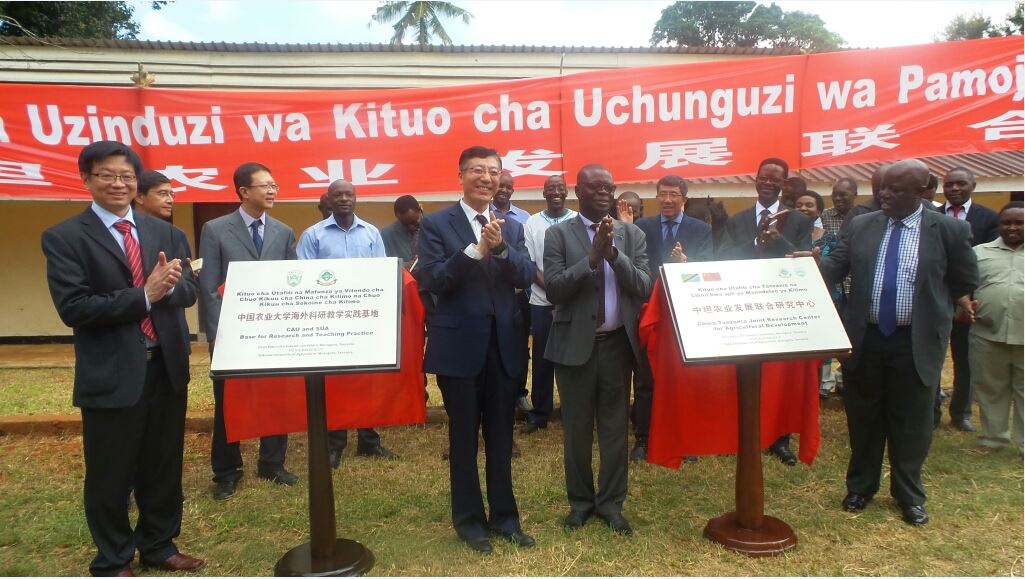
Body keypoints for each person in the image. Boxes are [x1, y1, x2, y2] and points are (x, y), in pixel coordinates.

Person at [42, 141, 203, 576]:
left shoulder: (165, 233)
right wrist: (144, 296)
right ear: (87, 180)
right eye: (107, 175)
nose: (118, 183)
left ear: (136, 181)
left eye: (126, 176)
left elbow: (188, 289)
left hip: (166, 367)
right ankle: (113, 559)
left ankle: (159, 545)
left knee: (163, 464)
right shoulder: (65, 238)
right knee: (110, 474)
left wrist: (169, 287)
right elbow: (74, 307)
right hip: (112, 372)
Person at [815, 159, 978, 526]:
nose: (885, 194)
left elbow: (963, 279)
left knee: (912, 424)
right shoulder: (861, 225)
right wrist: (801, 268)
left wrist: (934, 313)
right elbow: (835, 266)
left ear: (923, 191)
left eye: (897, 189)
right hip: (867, 339)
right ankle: (860, 487)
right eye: (883, 187)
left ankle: (908, 495)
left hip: (915, 343)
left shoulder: (949, 230)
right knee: (864, 418)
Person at [417, 146, 536, 554]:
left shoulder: (512, 225)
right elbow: (434, 279)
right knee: (464, 437)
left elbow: (525, 275)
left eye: (494, 172)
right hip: (459, 347)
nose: (487, 178)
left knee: (501, 437)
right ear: (461, 175)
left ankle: (505, 519)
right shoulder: (436, 224)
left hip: (504, 346)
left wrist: (501, 248)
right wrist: (476, 251)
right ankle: (470, 523)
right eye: (478, 171)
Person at [543, 164, 653, 535]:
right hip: (575, 346)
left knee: (614, 429)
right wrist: (590, 259)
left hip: (617, 347)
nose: (603, 192)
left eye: (608, 186)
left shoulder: (633, 234)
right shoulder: (558, 235)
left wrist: (612, 256)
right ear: (578, 191)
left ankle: (611, 504)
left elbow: (643, 285)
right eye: (594, 187)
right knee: (576, 431)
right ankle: (580, 503)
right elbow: (555, 289)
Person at [199, 162, 298, 500]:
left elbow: (291, 283)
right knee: (228, 402)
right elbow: (210, 287)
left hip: (272, 332)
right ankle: (227, 471)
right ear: (243, 191)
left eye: (274, 185)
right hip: (232, 334)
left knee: (275, 397)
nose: (272, 191)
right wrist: (218, 336)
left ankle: (272, 463)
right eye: (265, 185)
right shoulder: (215, 229)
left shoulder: (283, 232)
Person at [297, 179, 399, 468]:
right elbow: (304, 281)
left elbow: (381, 274)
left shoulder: (371, 233)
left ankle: (369, 441)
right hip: (328, 322)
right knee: (335, 384)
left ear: (356, 198)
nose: (344, 199)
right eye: (338, 194)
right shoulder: (312, 235)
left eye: (349, 194)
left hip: (365, 320)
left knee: (367, 381)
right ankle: (334, 444)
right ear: (328, 200)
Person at [719, 157, 813, 466]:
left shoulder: (799, 221)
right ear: (756, 180)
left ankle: (780, 438)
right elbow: (725, 257)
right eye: (764, 178)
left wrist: (778, 241)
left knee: (779, 374)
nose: (768, 183)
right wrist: (755, 242)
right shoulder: (739, 219)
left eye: (776, 179)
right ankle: (743, 434)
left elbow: (803, 262)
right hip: (745, 302)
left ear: (785, 184)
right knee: (744, 371)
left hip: (780, 304)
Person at [632, 175, 713, 460]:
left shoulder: (700, 229)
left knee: (683, 376)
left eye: (673, 194)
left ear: (684, 198)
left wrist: (685, 265)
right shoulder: (642, 227)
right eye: (662, 194)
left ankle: (685, 437)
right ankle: (643, 437)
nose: (667, 200)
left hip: (685, 312)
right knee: (645, 377)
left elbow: (707, 268)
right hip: (649, 311)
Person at [938, 166, 1000, 432]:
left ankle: (961, 412)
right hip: (937, 301)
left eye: (960, 184)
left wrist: (970, 297)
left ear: (973, 185)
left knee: (965, 361)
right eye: (949, 184)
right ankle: (929, 413)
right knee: (932, 360)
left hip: (969, 303)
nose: (954, 188)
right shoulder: (931, 216)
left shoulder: (988, 218)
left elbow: (986, 264)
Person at [521, 175, 577, 435]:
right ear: (543, 193)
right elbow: (530, 265)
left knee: (573, 360)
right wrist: (555, 293)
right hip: (542, 302)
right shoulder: (531, 223)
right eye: (550, 188)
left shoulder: (577, 220)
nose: (556, 192)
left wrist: (566, 293)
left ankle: (572, 412)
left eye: (560, 188)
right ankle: (540, 414)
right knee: (543, 360)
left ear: (567, 193)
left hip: (575, 302)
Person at [967, 202, 1024, 455]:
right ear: (999, 225)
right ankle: (993, 440)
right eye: (1006, 222)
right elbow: (964, 284)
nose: (1012, 227)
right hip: (988, 333)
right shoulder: (979, 252)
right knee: (990, 388)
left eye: (1019, 223)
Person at [492, 171, 532, 417]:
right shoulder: (478, 218)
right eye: (501, 185)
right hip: (486, 296)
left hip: (518, 296)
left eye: (508, 186)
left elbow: (524, 262)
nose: (504, 190)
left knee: (518, 348)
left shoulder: (522, 221)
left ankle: (519, 394)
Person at [795, 190, 840, 398]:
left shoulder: (830, 237)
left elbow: (834, 267)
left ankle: (823, 383)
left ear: (819, 210)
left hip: (823, 295)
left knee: (823, 340)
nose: (803, 208)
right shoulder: (788, 235)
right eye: (799, 205)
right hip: (795, 297)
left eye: (809, 205)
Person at [379, 194, 423, 270]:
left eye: (413, 222)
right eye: (405, 224)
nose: (411, 227)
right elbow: (384, 263)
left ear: (420, 211)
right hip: (403, 280)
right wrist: (403, 266)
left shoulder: (435, 225)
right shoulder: (386, 234)